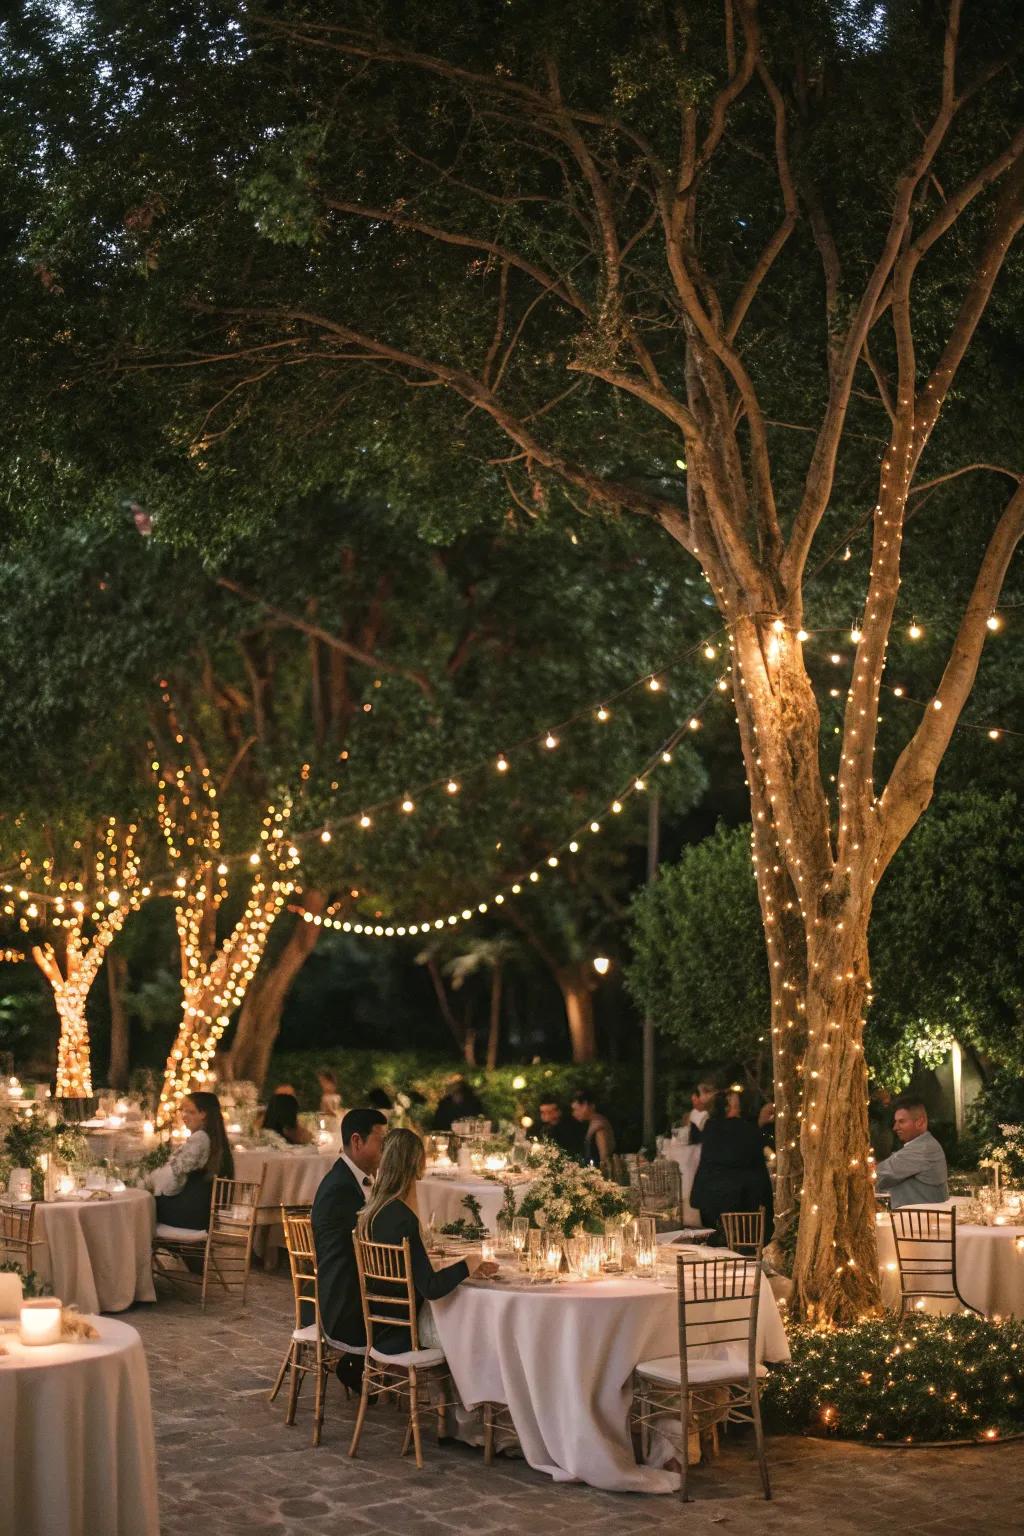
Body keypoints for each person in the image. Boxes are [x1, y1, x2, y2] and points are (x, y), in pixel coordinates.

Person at [358, 1127, 497, 1354]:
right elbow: (430, 1288)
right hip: (407, 1329)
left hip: (380, 1321)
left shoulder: (372, 1212)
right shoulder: (403, 1219)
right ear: (416, 1164)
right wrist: (469, 1263)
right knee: (481, 1325)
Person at [312, 1107, 389, 1386]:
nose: (387, 1149)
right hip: (345, 1301)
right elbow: (371, 1243)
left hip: (347, 1286)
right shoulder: (341, 1188)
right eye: (382, 1141)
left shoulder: (350, 1178)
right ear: (357, 1141)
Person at [690, 1087, 774, 1244]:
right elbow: (750, 1149)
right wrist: (761, 1124)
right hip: (740, 1202)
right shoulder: (738, 1129)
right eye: (733, 1099)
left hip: (712, 1200)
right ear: (727, 1106)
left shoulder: (712, 1127)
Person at [148, 1091, 235, 1230]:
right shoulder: (214, 1138)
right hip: (202, 1212)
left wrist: (150, 1182)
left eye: (190, 1112)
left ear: (203, 1114)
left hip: (190, 1214)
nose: (184, 1116)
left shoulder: (200, 1138)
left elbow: (174, 1177)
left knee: (143, 1207)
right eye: (183, 1111)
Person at [874, 1097, 949, 1209]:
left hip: (920, 1223)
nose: (895, 1127)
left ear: (920, 1122)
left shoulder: (923, 1149)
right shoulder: (925, 1145)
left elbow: (877, 1175)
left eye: (902, 1122)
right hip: (917, 1220)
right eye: (895, 1122)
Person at [570, 1089, 616, 1167]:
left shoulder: (599, 1126)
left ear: (585, 1105)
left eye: (576, 1109)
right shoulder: (596, 1122)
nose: (574, 1114)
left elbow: (604, 1159)